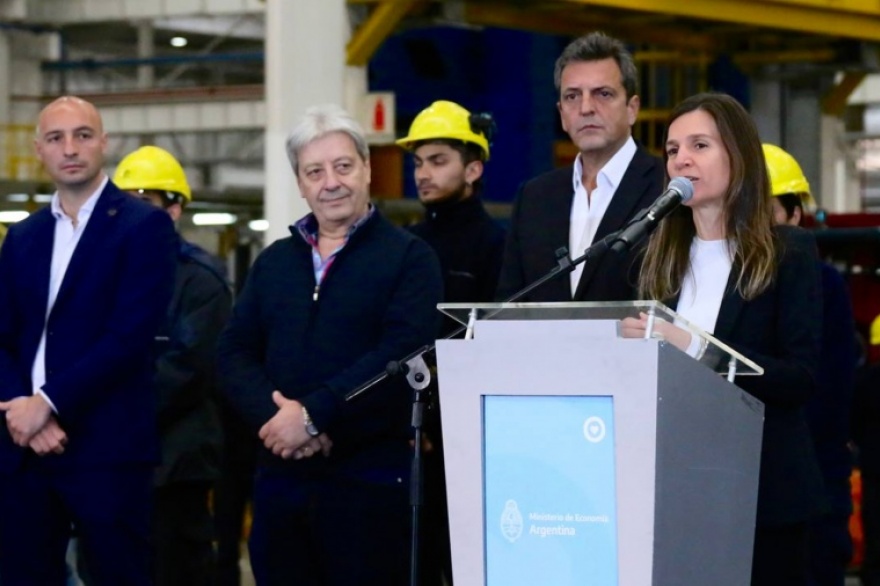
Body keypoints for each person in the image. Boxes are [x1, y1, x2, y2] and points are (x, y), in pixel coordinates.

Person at [216, 104, 443, 586]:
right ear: (300, 184)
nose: (331, 183)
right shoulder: (275, 262)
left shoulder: (410, 258)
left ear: (367, 168)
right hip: (280, 483)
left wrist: (314, 414)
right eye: (314, 172)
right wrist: (279, 420)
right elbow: (233, 352)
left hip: (368, 486)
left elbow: (402, 351)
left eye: (343, 166)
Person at [620, 93, 826, 586]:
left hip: (763, 493)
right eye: (673, 150)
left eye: (700, 145)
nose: (681, 160)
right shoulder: (658, 260)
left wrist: (693, 347)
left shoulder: (788, 252)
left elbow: (798, 378)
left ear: (739, 155)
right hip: (676, 490)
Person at [0, 96, 176, 585]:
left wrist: (47, 403)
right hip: (24, 449)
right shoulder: (23, 237)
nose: (70, 149)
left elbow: (128, 336)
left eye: (82, 135)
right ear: (39, 149)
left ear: (104, 143)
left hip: (107, 447)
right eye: (56, 138)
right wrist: (22, 411)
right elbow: (2, 337)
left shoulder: (144, 227)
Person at [397, 100, 506, 585]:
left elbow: (494, 345)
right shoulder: (403, 246)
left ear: (473, 169)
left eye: (438, 161)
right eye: (419, 162)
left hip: (468, 438)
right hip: (407, 430)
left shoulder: (496, 246)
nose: (423, 173)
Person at [113, 145, 232, 586]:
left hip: (173, 466)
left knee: (173, 569)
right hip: (111, 462)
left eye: (143, 201)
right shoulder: (104, 277)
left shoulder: (200, 282)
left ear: (174, 209)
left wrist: (113, 412)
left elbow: (186, 370)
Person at [496, 30, 665, 302]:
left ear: (632, 108)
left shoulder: (667, 188)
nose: (586, 108)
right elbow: (507, 306)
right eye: (572, 96)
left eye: (603, 94)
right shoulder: (533, 198)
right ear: (562, 114)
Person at [763, 143, 856, 586]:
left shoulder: (823, 284)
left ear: (795, 214)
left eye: (765, 212)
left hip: (812, 472)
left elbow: (829, 391)